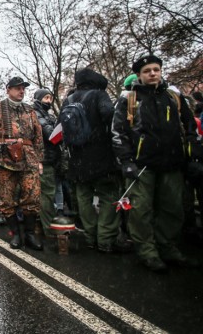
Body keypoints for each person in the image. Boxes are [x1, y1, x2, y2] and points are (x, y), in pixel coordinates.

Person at [112, 54, 200, 272]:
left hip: (172, 163)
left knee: (172, 208)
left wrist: (191, 154)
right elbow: (118, 132)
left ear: (161, 71)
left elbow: (190, 128)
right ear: (139, 75)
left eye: (156, 69)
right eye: (147, 71)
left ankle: (168, 247)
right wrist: (126, 161)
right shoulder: (130, 99)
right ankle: (148, 252)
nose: (152, 73)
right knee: (141, 211)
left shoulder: (173, 97)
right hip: (142, 165)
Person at [62, 70, 126, 252]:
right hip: (101, 157)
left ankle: (90, 236)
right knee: (108, 195)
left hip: (77, 159)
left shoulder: (69, 100)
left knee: (83, 198)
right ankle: (105, 239)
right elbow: (111, 117)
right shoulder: (99, 95)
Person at [0, 77, 44, 250]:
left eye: (23, 88)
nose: (21, 91)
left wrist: (39, 160)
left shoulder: (30, 110)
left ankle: (30, 234)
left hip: (28, 157)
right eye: (17, 88)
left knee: (32, 196)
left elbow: (38, 136)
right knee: (6, 199)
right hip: (4, 158)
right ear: (8, 89)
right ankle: (16, 235)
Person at [33, 89, 72, 236]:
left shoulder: (47, 115)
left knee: (55, 189)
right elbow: (50, 133)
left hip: (53, 158)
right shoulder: (36, 114)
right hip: (45, 159)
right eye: (46, 98)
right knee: (47, 194)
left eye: (50, 97)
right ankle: (49, 229)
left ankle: (49, 221)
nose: (49, 101)